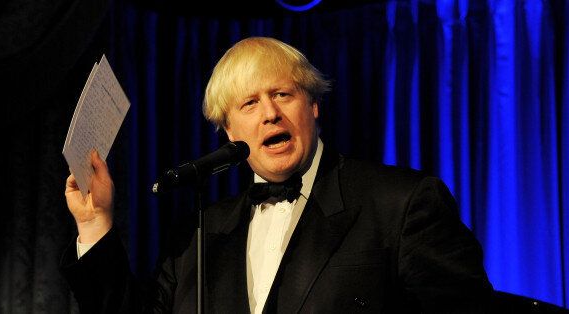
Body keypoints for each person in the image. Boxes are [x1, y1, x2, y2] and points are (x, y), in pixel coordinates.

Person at [61, 37, 492, 313]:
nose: (270, 113)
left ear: (313, 106)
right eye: (249, 104)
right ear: (229, 130)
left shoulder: (401, 203)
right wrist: (95, 224)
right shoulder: (200, 233)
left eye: (283, 94)